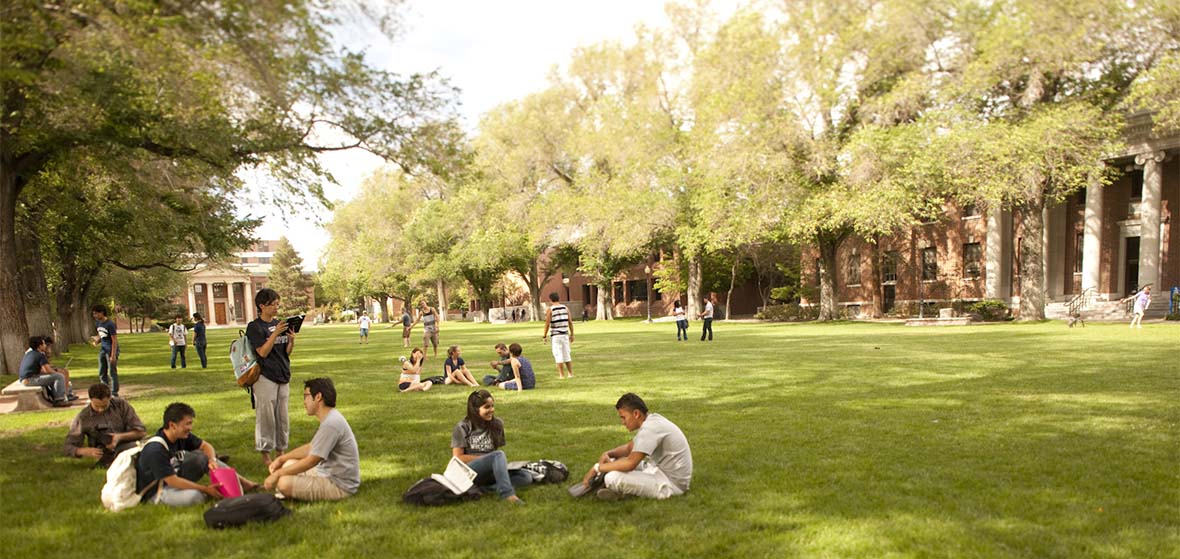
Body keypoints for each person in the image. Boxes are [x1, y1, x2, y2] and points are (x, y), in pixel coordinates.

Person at [136, 402, 256, 507]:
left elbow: (206, 446)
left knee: (204, 458)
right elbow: (172, 481)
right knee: (195, 497)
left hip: (175, 475)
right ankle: (215, 492)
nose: (190, 428)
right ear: (172, 425)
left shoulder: (181, 436)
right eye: (187, 424)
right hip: (157, 491)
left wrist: (212, 460)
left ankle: (243, 483)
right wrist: (205, 489)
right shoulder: (155, 450)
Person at [579, 393, 693, 501]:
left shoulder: (650, 429)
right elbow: (629, 448)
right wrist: (608, 454)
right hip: (657, 470)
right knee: (615, 461)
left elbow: (630, 464)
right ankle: (615, 488)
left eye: (623, 417)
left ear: (636, 414)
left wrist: (597, 468)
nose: (622, 422)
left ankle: (617, 490)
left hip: (671, 484)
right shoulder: (652, 421)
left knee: (612, 477)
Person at [265, 378, 360, 501]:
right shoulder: (330, 418)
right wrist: (282, 458)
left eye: (306, 396)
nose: (304, 402)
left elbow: (312, 461)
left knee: (283, 482)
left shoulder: (331, 424)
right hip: (326, 472)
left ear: (318, 396)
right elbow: (312, 447)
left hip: (339, 485)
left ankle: (288, 490)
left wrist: (277, 474)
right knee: (287, 464)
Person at [451, 390, 531, 504]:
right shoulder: (462, 427)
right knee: (498, 455)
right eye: (487, 407)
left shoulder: (497, 424)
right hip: (469, 471)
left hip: (489, 470)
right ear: (475, 409)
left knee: (525, 476)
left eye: (493, 406)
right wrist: (487, 459)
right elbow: (458, 458)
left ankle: (484, 490)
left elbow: (494, 452)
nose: (491, 410)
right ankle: (507, 494)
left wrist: (495, 462)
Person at [247, 288, 296, 466]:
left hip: (283, 374)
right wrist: (275, 334)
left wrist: (291, 340)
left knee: (282, 416)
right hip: (264, 376)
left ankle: (281, 451)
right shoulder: (255, 327)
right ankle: (266, 452)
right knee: (266, 416)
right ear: (262, 306)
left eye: (277, 303)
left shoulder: (280, 323)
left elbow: (286, 353)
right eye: (272, 304)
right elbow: (263, 352)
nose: (276, 307)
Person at [64, 383, 146, 467]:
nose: (100, 410)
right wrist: (84, 451)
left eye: (104, 406)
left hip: (128, 446)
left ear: (110, 397)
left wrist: (118, 437)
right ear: (90, 399)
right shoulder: (83, 417)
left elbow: (141, 432)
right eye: (96, 406)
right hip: (105, 454)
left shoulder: (121, 405)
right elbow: (68, 447)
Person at [18, 336, 75, 406]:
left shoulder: (31, 353)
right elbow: (47, 370)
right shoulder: (39, 355)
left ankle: (56, 396)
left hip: (25, 379)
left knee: (56, 376)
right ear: (40, 346)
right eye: (44, 344)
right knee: (59, 377)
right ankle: (59, 400)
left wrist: (55, 371)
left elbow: (44, 369)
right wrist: (58, 373)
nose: (45, 346)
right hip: (29, 380)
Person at [541, 292, 574, 379]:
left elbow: (547, 324)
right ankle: (570, 374)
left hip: (556, 335)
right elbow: (570, 322)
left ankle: (561, 375)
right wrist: (572, 334)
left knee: (558, 354)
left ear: (551, 300)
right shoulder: (565, 308)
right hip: (565, 334)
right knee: (566, 353)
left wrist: (544, 336)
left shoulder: (551, 309)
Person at [91, 304, 119, 397]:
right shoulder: (98, 323)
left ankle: (114, 392)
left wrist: (113, 355)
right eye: (94, 314)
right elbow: (102, 335)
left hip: (111, 349)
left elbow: (114, 340)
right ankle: (105, 391)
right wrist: (97, 341)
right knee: (102, 372)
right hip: (103, 349)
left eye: (96, 314)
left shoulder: (110, 324)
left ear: (102, 313)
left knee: (112, 372)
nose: (95, 316)